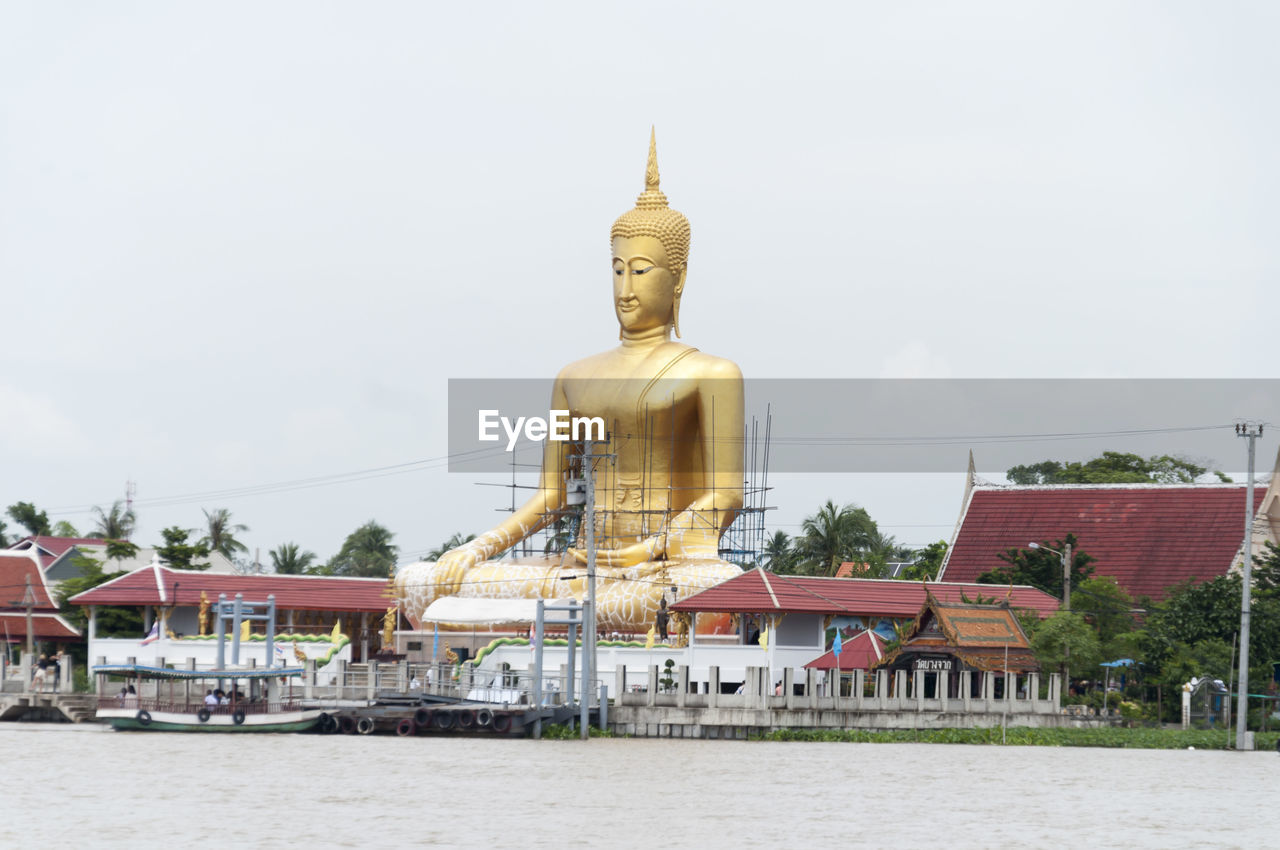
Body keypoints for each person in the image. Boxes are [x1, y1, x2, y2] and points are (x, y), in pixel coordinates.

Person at [396, 131, 744, 636]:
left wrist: (643, 551)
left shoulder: (712, 373)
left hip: (664, 568)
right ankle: (549, 610)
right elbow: (551, 494)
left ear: (679, 278)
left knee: (699, 595)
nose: (626, 288)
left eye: (642, 271)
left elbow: (726, 496)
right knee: (419, 581)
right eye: (618, 270)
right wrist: (477, 548)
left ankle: (554, 618)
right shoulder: (574, 376)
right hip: (579, 566)